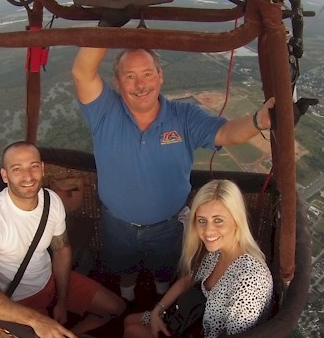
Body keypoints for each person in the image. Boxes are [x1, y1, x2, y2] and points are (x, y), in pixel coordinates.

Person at [72, 46, 275, 304]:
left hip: (168, 225)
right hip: (117, 223)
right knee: (123, 271)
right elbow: (82, 72)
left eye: (147, 74)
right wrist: (106, 27)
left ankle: (161, 304)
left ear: (160, 76)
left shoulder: (184, 116)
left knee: (165, 272)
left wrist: (259, 120)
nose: (140, 84)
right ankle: (127, 303)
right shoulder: (104, 111)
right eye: (130, 76)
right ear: (117, 81)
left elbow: (227, 133)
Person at [0, 141, 126, 338]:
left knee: (116, 309)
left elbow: (61, 250)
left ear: (42, 169)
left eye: (33, 166)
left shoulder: (51, 201)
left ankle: (68, 335)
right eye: (17, 169)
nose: (28, 177)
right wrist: (36, 320)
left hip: (49, 280)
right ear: (5, 176)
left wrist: (63, 299)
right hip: (19, 301)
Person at [123, 179, 273, 338]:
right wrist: (157, 311)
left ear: (237, 221)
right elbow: (188, 280)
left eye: (218, 220)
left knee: (133, 332)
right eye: (202, 220)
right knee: (129, 321)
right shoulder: (217, 253)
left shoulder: (251, 279)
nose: (208, 231)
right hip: (188, 320)